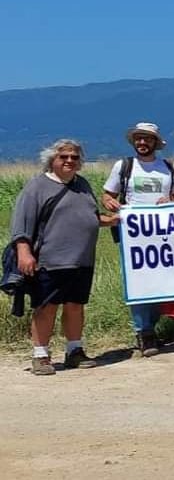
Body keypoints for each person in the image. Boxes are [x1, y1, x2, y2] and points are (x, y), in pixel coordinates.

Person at [11, 139, 118, 375]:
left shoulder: (83, 185)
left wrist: (112, 220)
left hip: (82, 260)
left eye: (74, 157)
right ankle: (41, 355)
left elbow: (90, 216)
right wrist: (24, 251)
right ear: (52, 160)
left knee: (75, 306)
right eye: (64, 157)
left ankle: (74, 351)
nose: (70, 161)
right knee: (46, 307)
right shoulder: (36, 187)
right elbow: (21, 224)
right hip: (49, 260)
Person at [102, 122, 174, 357]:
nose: (142, 142)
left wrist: (171, 202)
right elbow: (107, 195)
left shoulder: (168, 167)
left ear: (155, 143)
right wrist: (110, 203)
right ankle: (144, 331)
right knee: (138, 281)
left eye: (147, 139)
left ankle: (154, 324)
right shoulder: (124, 166)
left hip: (164, 234)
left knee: (161, 281)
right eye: (138, 138)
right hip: (133, 236)